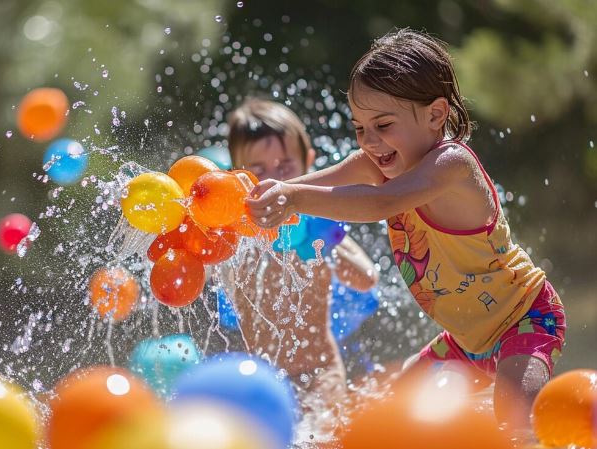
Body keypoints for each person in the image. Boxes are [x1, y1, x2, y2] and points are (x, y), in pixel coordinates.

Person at [245, 28, 566, 431]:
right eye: (360, 127)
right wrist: (281, 191)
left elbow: (382, 202)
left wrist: (293, 200)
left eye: (382, 124)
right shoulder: (381, 159)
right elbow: (334, 176)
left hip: (525, 318)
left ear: (435, 114)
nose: (370, 141)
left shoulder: (452, 165)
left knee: (518, 422)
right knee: (391, 421)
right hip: (464, 340)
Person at [221, 98, 379, 412]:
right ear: (237, 174)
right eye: (258, 170)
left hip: (320, 370)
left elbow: (366, 278)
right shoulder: (234, 231)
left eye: (285, 167)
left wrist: (327, 246)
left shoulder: (319, 221)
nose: (272, 180)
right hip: (259, 378)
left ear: (308, 162)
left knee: (323, 435)